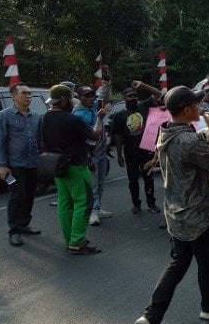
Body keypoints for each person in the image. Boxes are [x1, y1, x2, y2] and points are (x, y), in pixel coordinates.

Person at [134, 86, 209, 324]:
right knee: (208, 264)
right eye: (196, 104)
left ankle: (151, 316)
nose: (200, 108)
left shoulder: (166, 132)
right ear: (188, 108)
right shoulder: (188, 140)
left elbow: (189, 143)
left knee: (178, 264)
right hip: (199, 216)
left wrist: (208, 132)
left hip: (176, 215)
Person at [41, 84, 105, 255]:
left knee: (64, 203)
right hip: (76, 166)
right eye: (70, 99)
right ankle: (77, 242)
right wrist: (99, 118)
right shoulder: (72, 119)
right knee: (83, 203)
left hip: (56, 166)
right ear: (63, 100)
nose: (71, 102)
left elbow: (42, 143)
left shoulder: (44, 118)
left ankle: (69, 239)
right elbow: (95, 134)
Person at [0, 83, 42, 247]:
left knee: (30, 194)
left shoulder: (35, 116)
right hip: (14, 165)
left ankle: (24, 224)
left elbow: (38, 140)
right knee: (16, 196)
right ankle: (14, 231)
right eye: (24, 93)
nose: (29, 96)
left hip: (32, 163)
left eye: (30, 93)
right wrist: (2, 164)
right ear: (14, 96)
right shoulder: (4, 116)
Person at [112, 83, 161, 214]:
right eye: (129, 96)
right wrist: (119, 154)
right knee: (133, 180)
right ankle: (136, 204)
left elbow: (158, 94)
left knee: (148, 177)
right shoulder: (120, 115)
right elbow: (118, 136)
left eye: (134, 95)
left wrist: (143, 85)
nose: (133, 98)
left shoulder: (143, 106)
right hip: (130, 151)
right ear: (124, 98)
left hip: (146, 148)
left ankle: (151, 203)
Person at [73, 86, 112, 226]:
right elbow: (84, 138)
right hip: (90, 155)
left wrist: (107, 80)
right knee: (93, 186)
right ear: (79, 98)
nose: (90, 99)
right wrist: (87, 158)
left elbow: (105, 97)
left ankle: (97, 207)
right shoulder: (78, 114)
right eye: (86, 96)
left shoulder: (94, 107)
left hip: (101, 153)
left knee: (101, 184)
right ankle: (92, 213)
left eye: (92, 96)